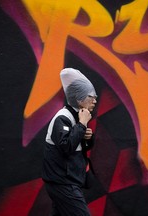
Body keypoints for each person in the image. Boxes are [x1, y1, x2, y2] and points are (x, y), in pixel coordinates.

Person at [41, 68, 97, 216]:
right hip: (63, 183)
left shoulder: (78, 116)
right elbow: (66, 146)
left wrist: (87, 137)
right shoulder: (63, 118)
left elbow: (81, 147)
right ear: (79, 99)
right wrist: (81, 125)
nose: (95, 101)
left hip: (68, 182)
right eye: (91, 96)